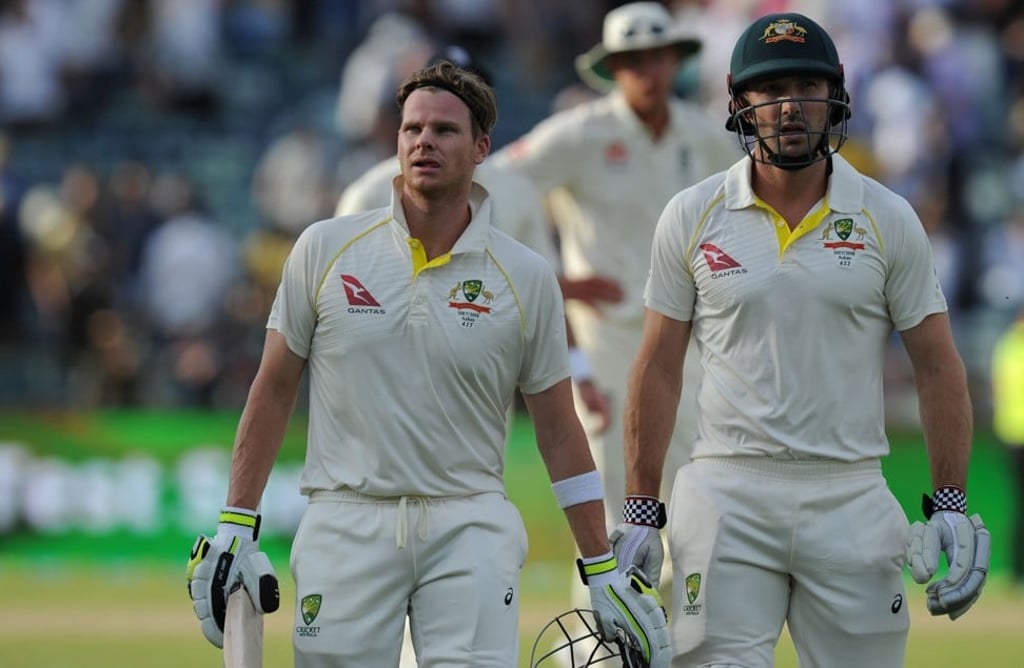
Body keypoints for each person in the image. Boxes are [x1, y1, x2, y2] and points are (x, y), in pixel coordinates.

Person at [185, 61, 670, 667]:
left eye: (444, 131)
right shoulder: (325, 248)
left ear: (481, 148)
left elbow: (558, 427)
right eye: (412, 129)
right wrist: (237, 519)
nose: (423, 142)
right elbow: (275, 388)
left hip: (469, 523)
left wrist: (598, 564)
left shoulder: (524, 275)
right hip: (346, 520)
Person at [614, 12, 990, 666]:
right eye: (769, 88)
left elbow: (937, 366)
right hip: (729, 489)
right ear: (738, 104)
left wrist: (950, 503)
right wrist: (642, 508)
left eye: (806, 86)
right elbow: (657, 367)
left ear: (835, 96)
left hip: (849, 491)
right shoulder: (692, 214)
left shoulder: (887, 217)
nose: (789, 105)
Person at [492, 1, 738, 593]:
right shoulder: (582, 134)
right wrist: (556, 281)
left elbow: (743, 213)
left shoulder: (704, 136)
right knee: (608, 502)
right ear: (613, 70)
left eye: (656, 57)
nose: (646, 71)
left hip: (689, 341)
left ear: (673, 61)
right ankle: (601, 646)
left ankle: (677, 646)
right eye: (632, 61)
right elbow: (491, 187)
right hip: (604, 342)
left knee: (690, 498)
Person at [337, 45, 612, 436]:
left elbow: (544, 300)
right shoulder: (366, 195)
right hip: (385, 405)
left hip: (478, 408)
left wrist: (581, 377)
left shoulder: (516, 192)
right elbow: (337, 305)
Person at [992, 307, 1024, 586]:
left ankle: (1016, 570)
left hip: (1012, 433)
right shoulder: (1010, 347)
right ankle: (1016, 569)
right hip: (1016, 435)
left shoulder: (1006, 346)